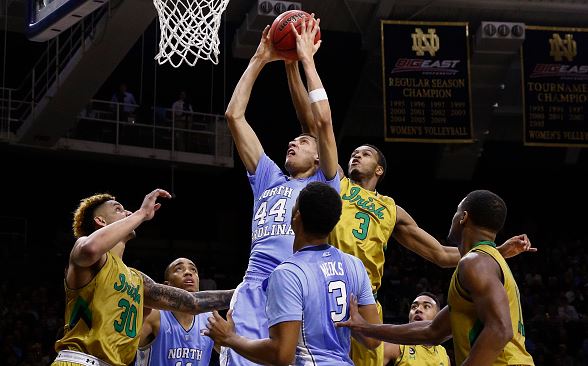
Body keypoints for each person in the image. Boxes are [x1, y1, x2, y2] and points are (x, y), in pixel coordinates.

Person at [286, 64, 536, 366]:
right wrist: (293, 68)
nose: (356, 155)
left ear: (379, 169)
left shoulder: (393, 210)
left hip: (363, 297)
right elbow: (313, 126)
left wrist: (497, 253)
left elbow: (442, 255)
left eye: (365, 154)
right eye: (354, 152)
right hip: (322, 281)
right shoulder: (335, 181)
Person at [220, 16, 340, 366]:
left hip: (300, 285)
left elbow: (323, 122)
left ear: (319, 158)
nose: (293, 141)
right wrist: (260, 57)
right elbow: (234, 116)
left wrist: (307, 60)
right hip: (255, 285)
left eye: (302, 141)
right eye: (293, 139)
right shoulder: (268, 178)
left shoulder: (323, 186)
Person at [338, 190, 535, 366]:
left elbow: (500, 330)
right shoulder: (485, 261)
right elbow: (432, 331)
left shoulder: (475, 262)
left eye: (457, 212)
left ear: (463, 217)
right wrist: (367, 328)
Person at [52, 189, 234, 366]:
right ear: (100, 220)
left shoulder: (138, 280)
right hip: (79, 361)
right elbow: (91, 249)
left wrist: (247, 290)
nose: (128, 212)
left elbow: (192, 302)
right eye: (118, 209)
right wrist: (141, 213)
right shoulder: (83, 248)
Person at [205, 182, 381, 365]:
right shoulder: (354, 265)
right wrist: (359, 325)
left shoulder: (287, 273)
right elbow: (374, 340)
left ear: (296, 217)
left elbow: (282, 354)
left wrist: (230, 338)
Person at [135, 257, 216, 366]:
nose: (188, 272)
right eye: (179, 269)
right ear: (167, 285)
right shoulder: (154, 315)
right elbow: (123, 350)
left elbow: (231, 353)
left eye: (193, 270)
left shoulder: (210, 319)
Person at [383, 292, 450, 366]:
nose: (418, 309)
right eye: (414, 307)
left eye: (426, 306)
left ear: (438, 316)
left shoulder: (444, 356)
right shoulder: (396, 344)